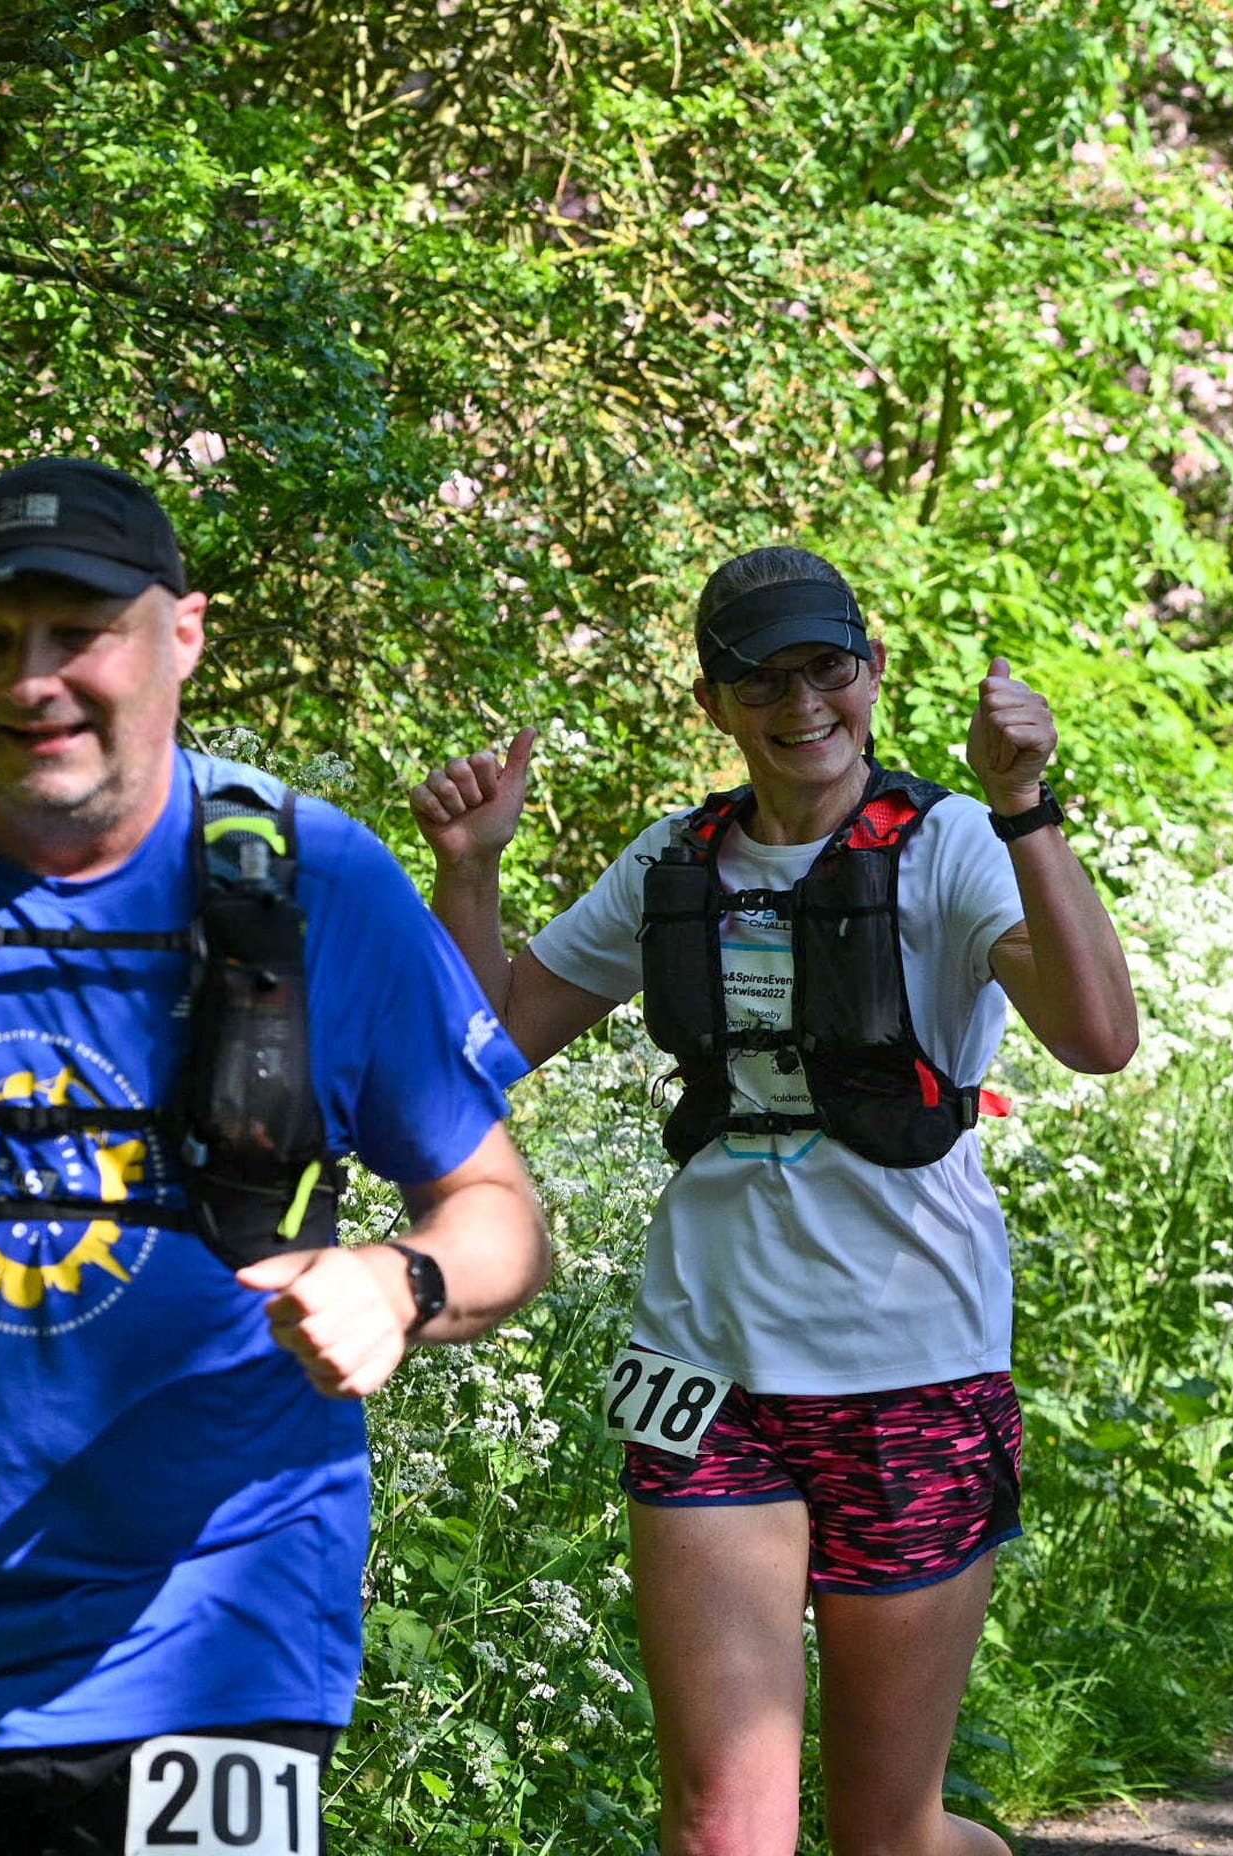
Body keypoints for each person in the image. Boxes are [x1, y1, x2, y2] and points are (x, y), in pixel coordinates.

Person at [411, 547, 1138, 1856]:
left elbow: (1099, 1037)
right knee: (717, 1831)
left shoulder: (953, 844)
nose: (801, 705)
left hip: (913, 1371)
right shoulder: (673, 862)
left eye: (827, 670)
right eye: (763, 681)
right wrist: (470, 869)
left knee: (885, 1837)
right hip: (707, 1369)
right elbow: (491, 1043)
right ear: (714, 702)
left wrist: (1025, 804)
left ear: (872, 673)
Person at [0, 458, 551, 1854]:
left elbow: (498, 1210)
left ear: (181, 635)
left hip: (217, 1635)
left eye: (78, 635)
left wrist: (402, 1282)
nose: (32, 684)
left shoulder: (314, 883)